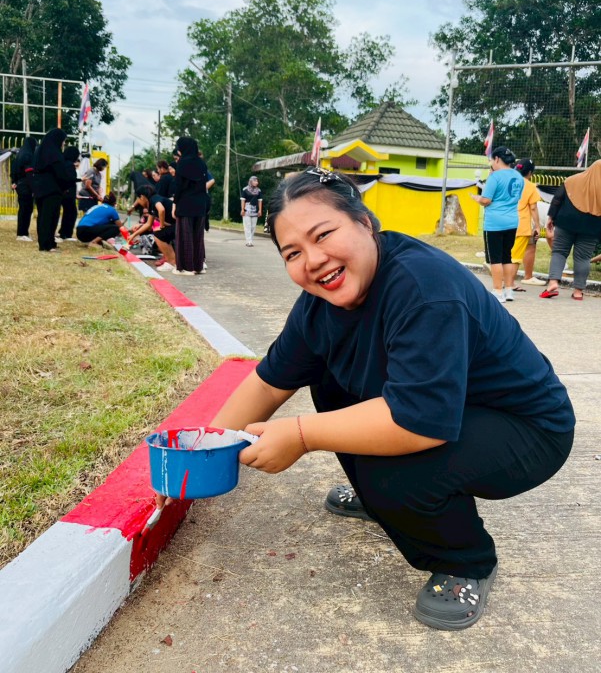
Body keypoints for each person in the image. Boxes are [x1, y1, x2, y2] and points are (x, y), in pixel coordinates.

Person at [157, 167, 575, 631]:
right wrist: (206, 449)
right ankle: (380, 501)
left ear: (365, 222)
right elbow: (269, 383)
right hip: (447, 409)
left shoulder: (423, 288)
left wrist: (300, 435)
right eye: (293, 253)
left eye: (323, 234)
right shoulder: (318, 306)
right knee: (328, 379)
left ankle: (466, 560)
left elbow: (415, 422)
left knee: (393, 474)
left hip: (526, 428)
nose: (314, 260)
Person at [540, 160, 601, 301]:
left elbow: (557, 199)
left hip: (565, 223)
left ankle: (553, 283)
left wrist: (551, 217)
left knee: (559, 252)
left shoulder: (572, 180)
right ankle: (578, 292)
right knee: (583, 258)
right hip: (591, 228)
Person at [471, 146, 523, 303]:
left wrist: (477, 198)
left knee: (496, 258)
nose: (491, 163)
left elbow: (487, 200)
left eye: (492, 160)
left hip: (495, 222)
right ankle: (508, 290)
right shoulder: (518, 176)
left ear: (497, 159)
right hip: (512, 221)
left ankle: (498, 291)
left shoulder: (495, 177)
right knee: (507, 256)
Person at [32, 128, 76, 252]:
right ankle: (47, 244)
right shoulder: (55, 154)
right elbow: (60, 174)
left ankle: (44, 243)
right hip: (52, 189)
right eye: (63, 141)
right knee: (50, 217)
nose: (63, 143)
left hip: (40, 188)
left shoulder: (40, 151)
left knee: (43, 216)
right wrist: (68, 184)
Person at [504, 158, 542, 292]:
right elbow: (533, 208)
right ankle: (510, 283)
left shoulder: (507, 181)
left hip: (503, 222)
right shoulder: (530, 186)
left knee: (506, 253)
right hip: (520, 225)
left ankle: (503, 280)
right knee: (515, 257)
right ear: (530, 173)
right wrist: (537, 226)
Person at [172, 136, 209, 275]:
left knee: (185, 235)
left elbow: (179, 187)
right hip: (200, 204)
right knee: (198, 237)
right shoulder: (202, 164)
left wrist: (175, 204)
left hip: (185, 204)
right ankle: (198, 266)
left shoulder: (182, 163)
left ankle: (187, 268)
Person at [130, 184, 176, 271]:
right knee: (160, 235)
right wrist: (133, 235)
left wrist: (161, 226)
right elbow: (148, 224)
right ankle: (173, 261)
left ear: (142, 197)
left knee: (159, 235)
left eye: (138, 199)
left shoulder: (154, 199)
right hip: (176, 225)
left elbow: (161, 209)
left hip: (180, 226)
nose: (138, 202)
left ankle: (171, 262)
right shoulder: (151, 204)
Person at [10, 136, 37, 241]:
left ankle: (22, 232)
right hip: (26, 185)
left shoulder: (19, 155)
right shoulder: (28, 156)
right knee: (26, 209)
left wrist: (14, 182)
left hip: (20, 185)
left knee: (23, 209)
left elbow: (13, 171)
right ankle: (22, 233)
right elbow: (29, 173)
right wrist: (33, 187)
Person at [58, 146, 81, 241]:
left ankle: (64, 232)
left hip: (65, 192)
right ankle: (66, 233)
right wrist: (81, 179)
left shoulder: (63, 163)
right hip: (68, 192)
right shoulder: (69, 165)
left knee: (68, 212)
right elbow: (70, 178)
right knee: (71, 213)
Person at [241, 175, 263, 246]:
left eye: (257, 181)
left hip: (255, 210)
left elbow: (260, 201)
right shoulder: (245, 189)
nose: (257, 182)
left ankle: (251, 240)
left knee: (253, 226)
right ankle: (248, 241)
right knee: (247, 226)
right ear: (251, 181)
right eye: (255, 181)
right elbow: (243, 200)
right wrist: (242, 209)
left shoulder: (258, 191)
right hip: (247, 209)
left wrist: (260, 210)